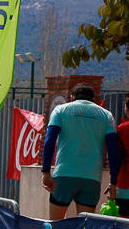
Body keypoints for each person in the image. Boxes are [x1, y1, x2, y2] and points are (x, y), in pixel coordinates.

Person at [42, 82, 118, 220]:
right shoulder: (107, 115)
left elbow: (50, 140)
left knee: (55, 226)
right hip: (92, 178)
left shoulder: (60, 110)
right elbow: (113, 150)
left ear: (72, 97)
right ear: (93, 99)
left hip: (64, 174)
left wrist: (46, 171)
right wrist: (113, 182)